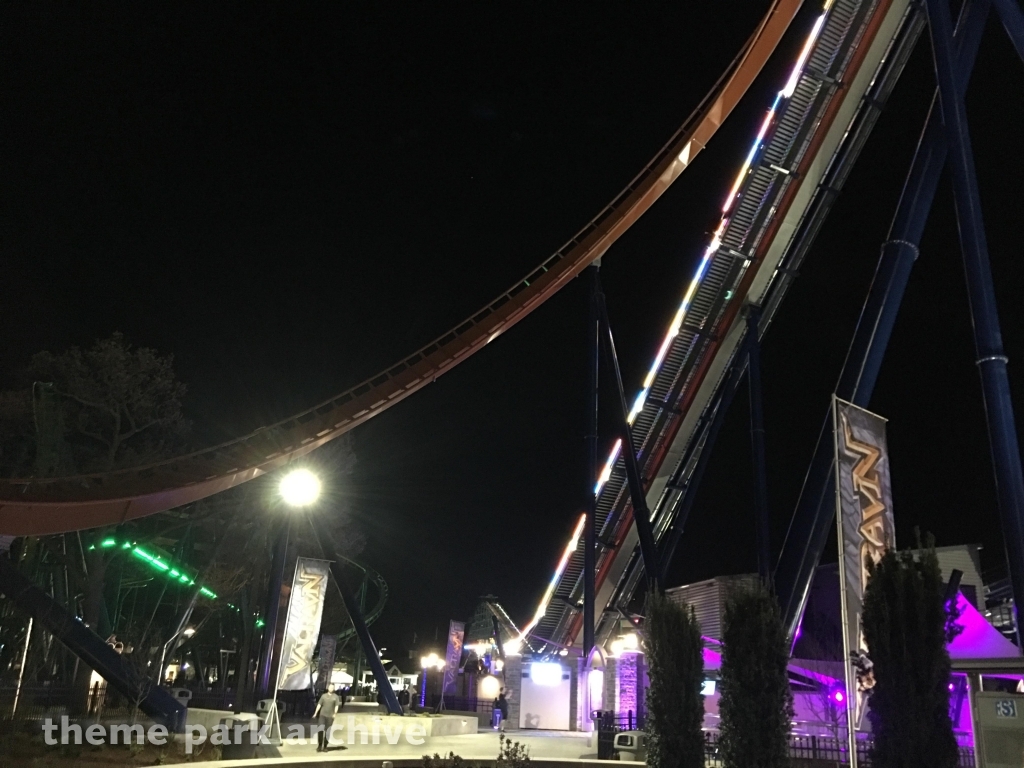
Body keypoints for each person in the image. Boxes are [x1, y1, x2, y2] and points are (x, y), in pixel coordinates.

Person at [312, 684, 342, 752]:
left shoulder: (336, 697)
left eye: (332, 688)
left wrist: (335, 713)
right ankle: (319, 746)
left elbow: (336, 706)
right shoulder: (323, 696)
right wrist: (315, 713)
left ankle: (325, 746)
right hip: (322, 715)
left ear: (334, 689)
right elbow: (319, 704)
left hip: (330, 716)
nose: (331, 688)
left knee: (327, 731)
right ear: (328, 688)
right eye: (330, 687)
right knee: (320, 730)